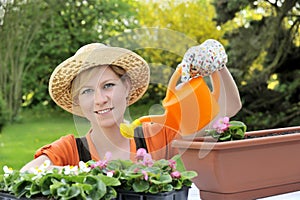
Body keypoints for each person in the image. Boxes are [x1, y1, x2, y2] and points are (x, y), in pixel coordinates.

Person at [21, 41, 241, 172]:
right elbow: (27, 173)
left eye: (108, 85)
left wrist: (216, 63)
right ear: (77, 101)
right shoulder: (70, 150)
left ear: (126, 87)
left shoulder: (154, 137)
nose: (99, 99)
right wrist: (88, 173)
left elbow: (228, 109)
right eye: (87, 91)